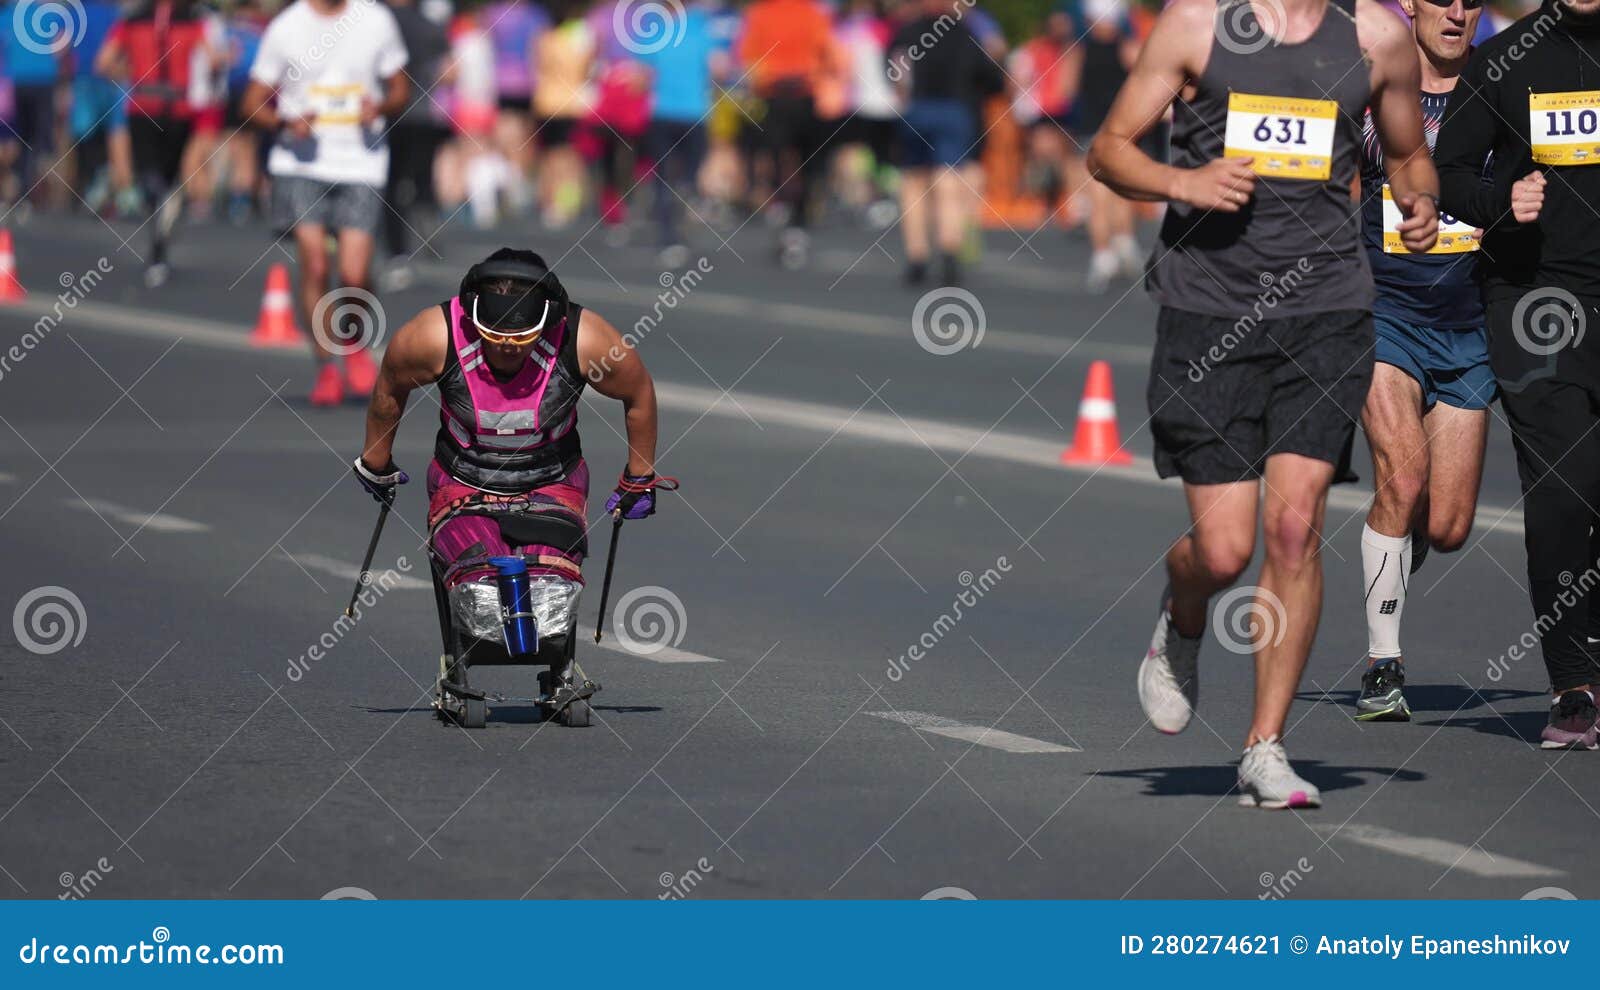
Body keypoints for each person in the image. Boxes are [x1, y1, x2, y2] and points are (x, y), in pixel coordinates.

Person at [1088, 0, 1440, 808]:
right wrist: (1184, 180)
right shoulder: (1196, 24)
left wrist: (1418, 201)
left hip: (1326, 312)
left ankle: (1266, 746)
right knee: (1222, 552)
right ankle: (1181, 619)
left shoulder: (1376, 38)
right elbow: (1107, 152)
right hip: (1207, 312)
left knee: (1294, 525)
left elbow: (1410, 154)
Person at [351, 248, 668, 644]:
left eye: (521, 337)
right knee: (479, 589)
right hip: (463, 486)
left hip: (552, 486)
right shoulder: (431, 336)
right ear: (472, 313)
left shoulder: (586, 338)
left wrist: (639, 476)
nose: (508, 346)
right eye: (494, 335)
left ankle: (555, 671)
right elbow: (390, 388)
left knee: (550, 590)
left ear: (549, 318)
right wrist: (375, 461)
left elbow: (638, 392)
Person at [1435, 0, 1600, 749]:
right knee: (1566, 489)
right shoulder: (1506, 60)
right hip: (1537, 305)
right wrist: (1504, 201)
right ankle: (1575, 685)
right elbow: (1451, 174)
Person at [1351, 0, 1492, 722]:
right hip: (1387, 316)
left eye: (1471, 1)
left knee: (1448, 525)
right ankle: (1384, 665)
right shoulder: (1375, 88)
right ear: (1410, 6)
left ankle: (1392, 551)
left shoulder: (1498, 88)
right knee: (1402, 477)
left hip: (1470, 326)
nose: (1457, 12)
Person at [241, 0, 410, 407]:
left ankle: (352, 344)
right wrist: (285, 122)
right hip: (300, 162)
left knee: (353, 274)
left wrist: (380, 107)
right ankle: (327, 367)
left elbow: (400, 88)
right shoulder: (287, 26)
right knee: (315, 263)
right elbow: (252, 102)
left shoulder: (375, 20)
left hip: (361, 162)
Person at [96, 0, 224, 286]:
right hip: (178, 108)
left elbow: (103, 63)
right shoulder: (192, 18)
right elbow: (213, 59)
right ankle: (163, 215)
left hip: (143, 104)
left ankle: (156, 215)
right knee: (170, 175)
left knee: (148, 175)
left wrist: (129, 74)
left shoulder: (132, 20)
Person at [886, 0, 1003, 287]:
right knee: (948, 179)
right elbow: (992, 78)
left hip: (918, 109)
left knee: (913, 181)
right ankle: (949, 249)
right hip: (955, 110)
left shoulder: (907, 32)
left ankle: (917, 256)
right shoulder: (966, 33)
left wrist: (903, 94)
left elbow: (893, 69)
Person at [738, 0, 835, 267]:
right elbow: (829, 54)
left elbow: (749, 58)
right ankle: (798, 220)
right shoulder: (814, 14)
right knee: (806, 163)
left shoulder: (759, 14)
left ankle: (783, 211)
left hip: (775, 96)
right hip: (805, 95)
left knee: (779, 159)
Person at [640, 0, 727, 262]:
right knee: (690, 171)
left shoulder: (655, 29)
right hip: (695, 113)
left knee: (664, 173)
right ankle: (685, 192)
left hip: (662, 112)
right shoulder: (702, 27)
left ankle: (668, 233)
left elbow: (642, 75)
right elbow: (719, 68)